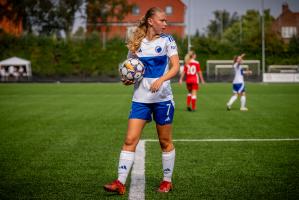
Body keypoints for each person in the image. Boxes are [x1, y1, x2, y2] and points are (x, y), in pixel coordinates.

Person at [103, 7, 180, 195]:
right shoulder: (136, 43)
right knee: (130, 139)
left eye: (166, 21)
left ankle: (167, 181)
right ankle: (120, 183)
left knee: (164, 141)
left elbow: (175, 67)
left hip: (163, 99)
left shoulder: (168, 40)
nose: (165, 23)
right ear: (151, 21)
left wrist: (161, 80)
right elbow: (130, 68)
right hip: (140, 100)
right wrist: (127, 79)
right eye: (162, 20)